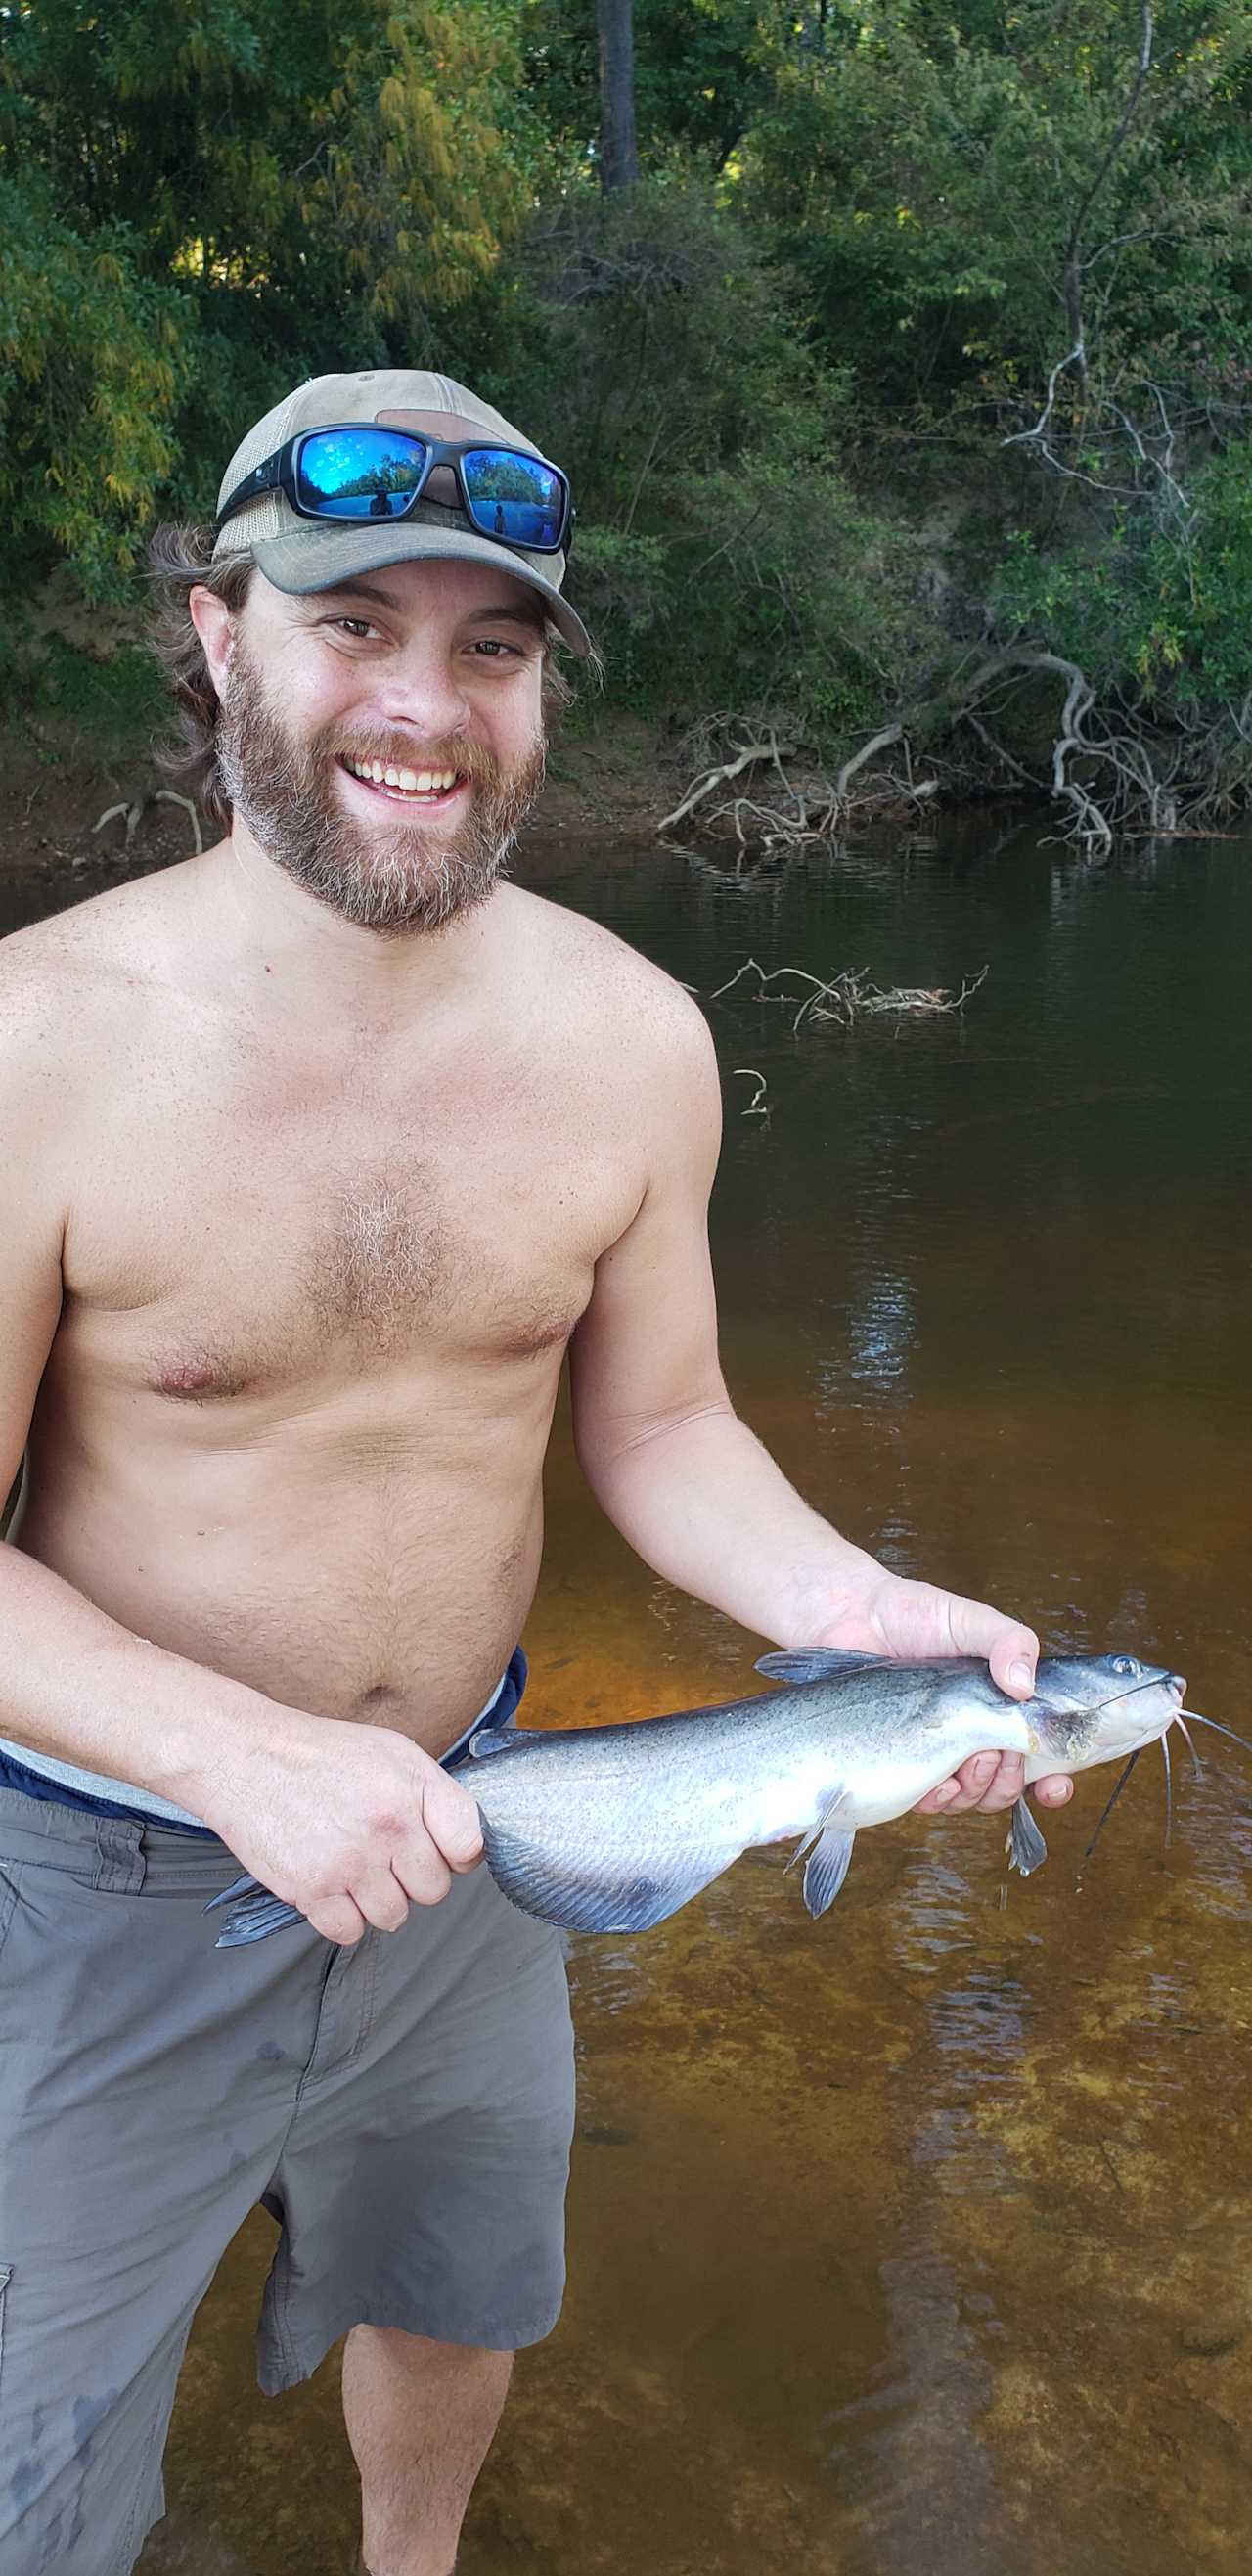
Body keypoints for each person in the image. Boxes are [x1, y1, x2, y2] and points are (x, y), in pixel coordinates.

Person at [0, 368, 1073, 2576]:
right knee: (38, 2447)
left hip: (495, 1842)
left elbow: (663, 1433)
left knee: (455, 2289)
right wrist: (243, 1756)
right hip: (94, 1883)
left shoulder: (631, 1042)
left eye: (489, 646)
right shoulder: (37, 1049)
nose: (426, 706)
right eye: (352, 625)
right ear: (218, 637)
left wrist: (860, 1624)